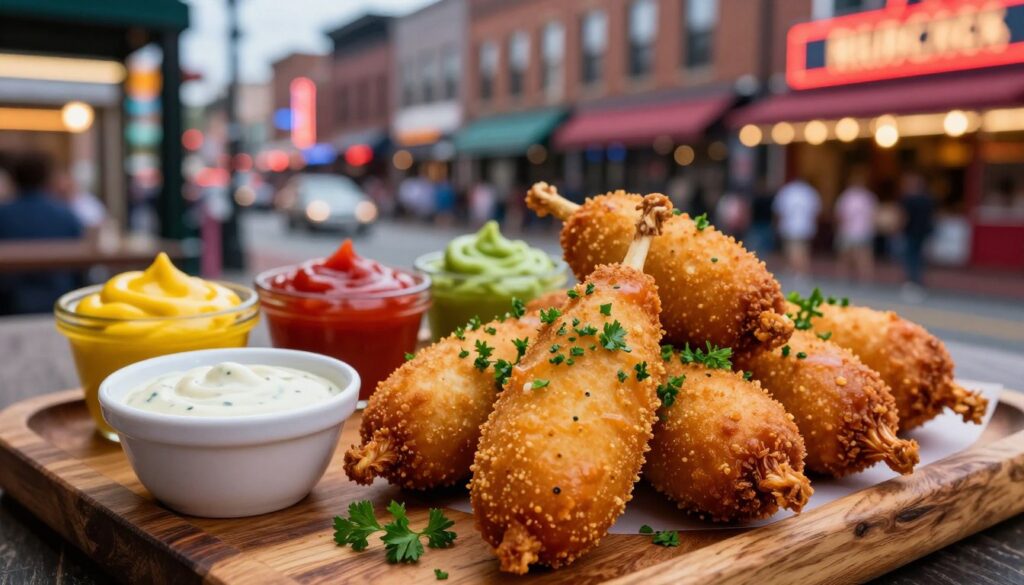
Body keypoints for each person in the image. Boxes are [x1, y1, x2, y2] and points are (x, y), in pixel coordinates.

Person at [0, 152, 83, 314]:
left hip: (8, 304)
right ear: (47, 179)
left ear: (14, 178)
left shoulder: (3, 214)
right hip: (59, 299)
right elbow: (79, 270)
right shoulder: (66, 215)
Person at [773, 177, 821, 281]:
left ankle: (799, 272)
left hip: (789, 226)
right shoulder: (809, 192)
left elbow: (779, 210)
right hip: (805, 226)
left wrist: (777, 225)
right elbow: (816, 211)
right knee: (802, 250)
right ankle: (798, 271)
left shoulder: (787, 191)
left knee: (793, 250)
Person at [834, 171, 878, 283]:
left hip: (850, 230)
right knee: (863, 256)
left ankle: (844, 277)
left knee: (847, 255)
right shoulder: (868, 197)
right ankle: (864, 278)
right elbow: (874, 215)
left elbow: (840, 215)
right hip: (863, 230)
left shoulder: (847, 196)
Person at [899, 172, 934, 300]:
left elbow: (904, 217)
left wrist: (899, 228)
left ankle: (912, 283)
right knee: (919, 258)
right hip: (923, 232)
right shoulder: (928, 199)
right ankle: (918, 283)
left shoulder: (908, 199)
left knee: (910, 258)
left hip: (911, 232)